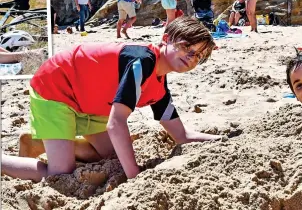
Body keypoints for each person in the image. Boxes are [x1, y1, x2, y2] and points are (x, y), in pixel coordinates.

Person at [2, 16, 223, 182]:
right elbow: (116, 123)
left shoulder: (159, 84)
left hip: (89, 102)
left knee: (111, 156)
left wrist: (222, 140)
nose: (191, 57)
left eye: (198, 56)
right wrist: (134, 178)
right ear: (166, 39)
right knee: (60, 173)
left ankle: (39, 142)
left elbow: (181, 135)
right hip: (57, 87)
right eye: (186, 46)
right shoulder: (142, 61)